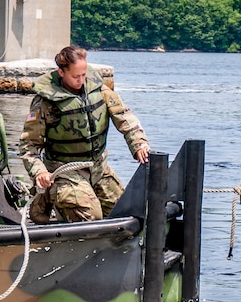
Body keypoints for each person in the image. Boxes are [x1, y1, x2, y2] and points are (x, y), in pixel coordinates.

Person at [19, 45, 150, 223]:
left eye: (83, 74)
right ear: (62, 72)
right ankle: (49, 194)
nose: (81, 80)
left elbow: (124, 117)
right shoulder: (44, 104)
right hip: (65, 170)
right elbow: (29, 146)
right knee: (90, 217)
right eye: (75, 76)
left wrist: (139, 144)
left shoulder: (100, 91)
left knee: (126, 212)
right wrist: (40, 172)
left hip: (98, 168)